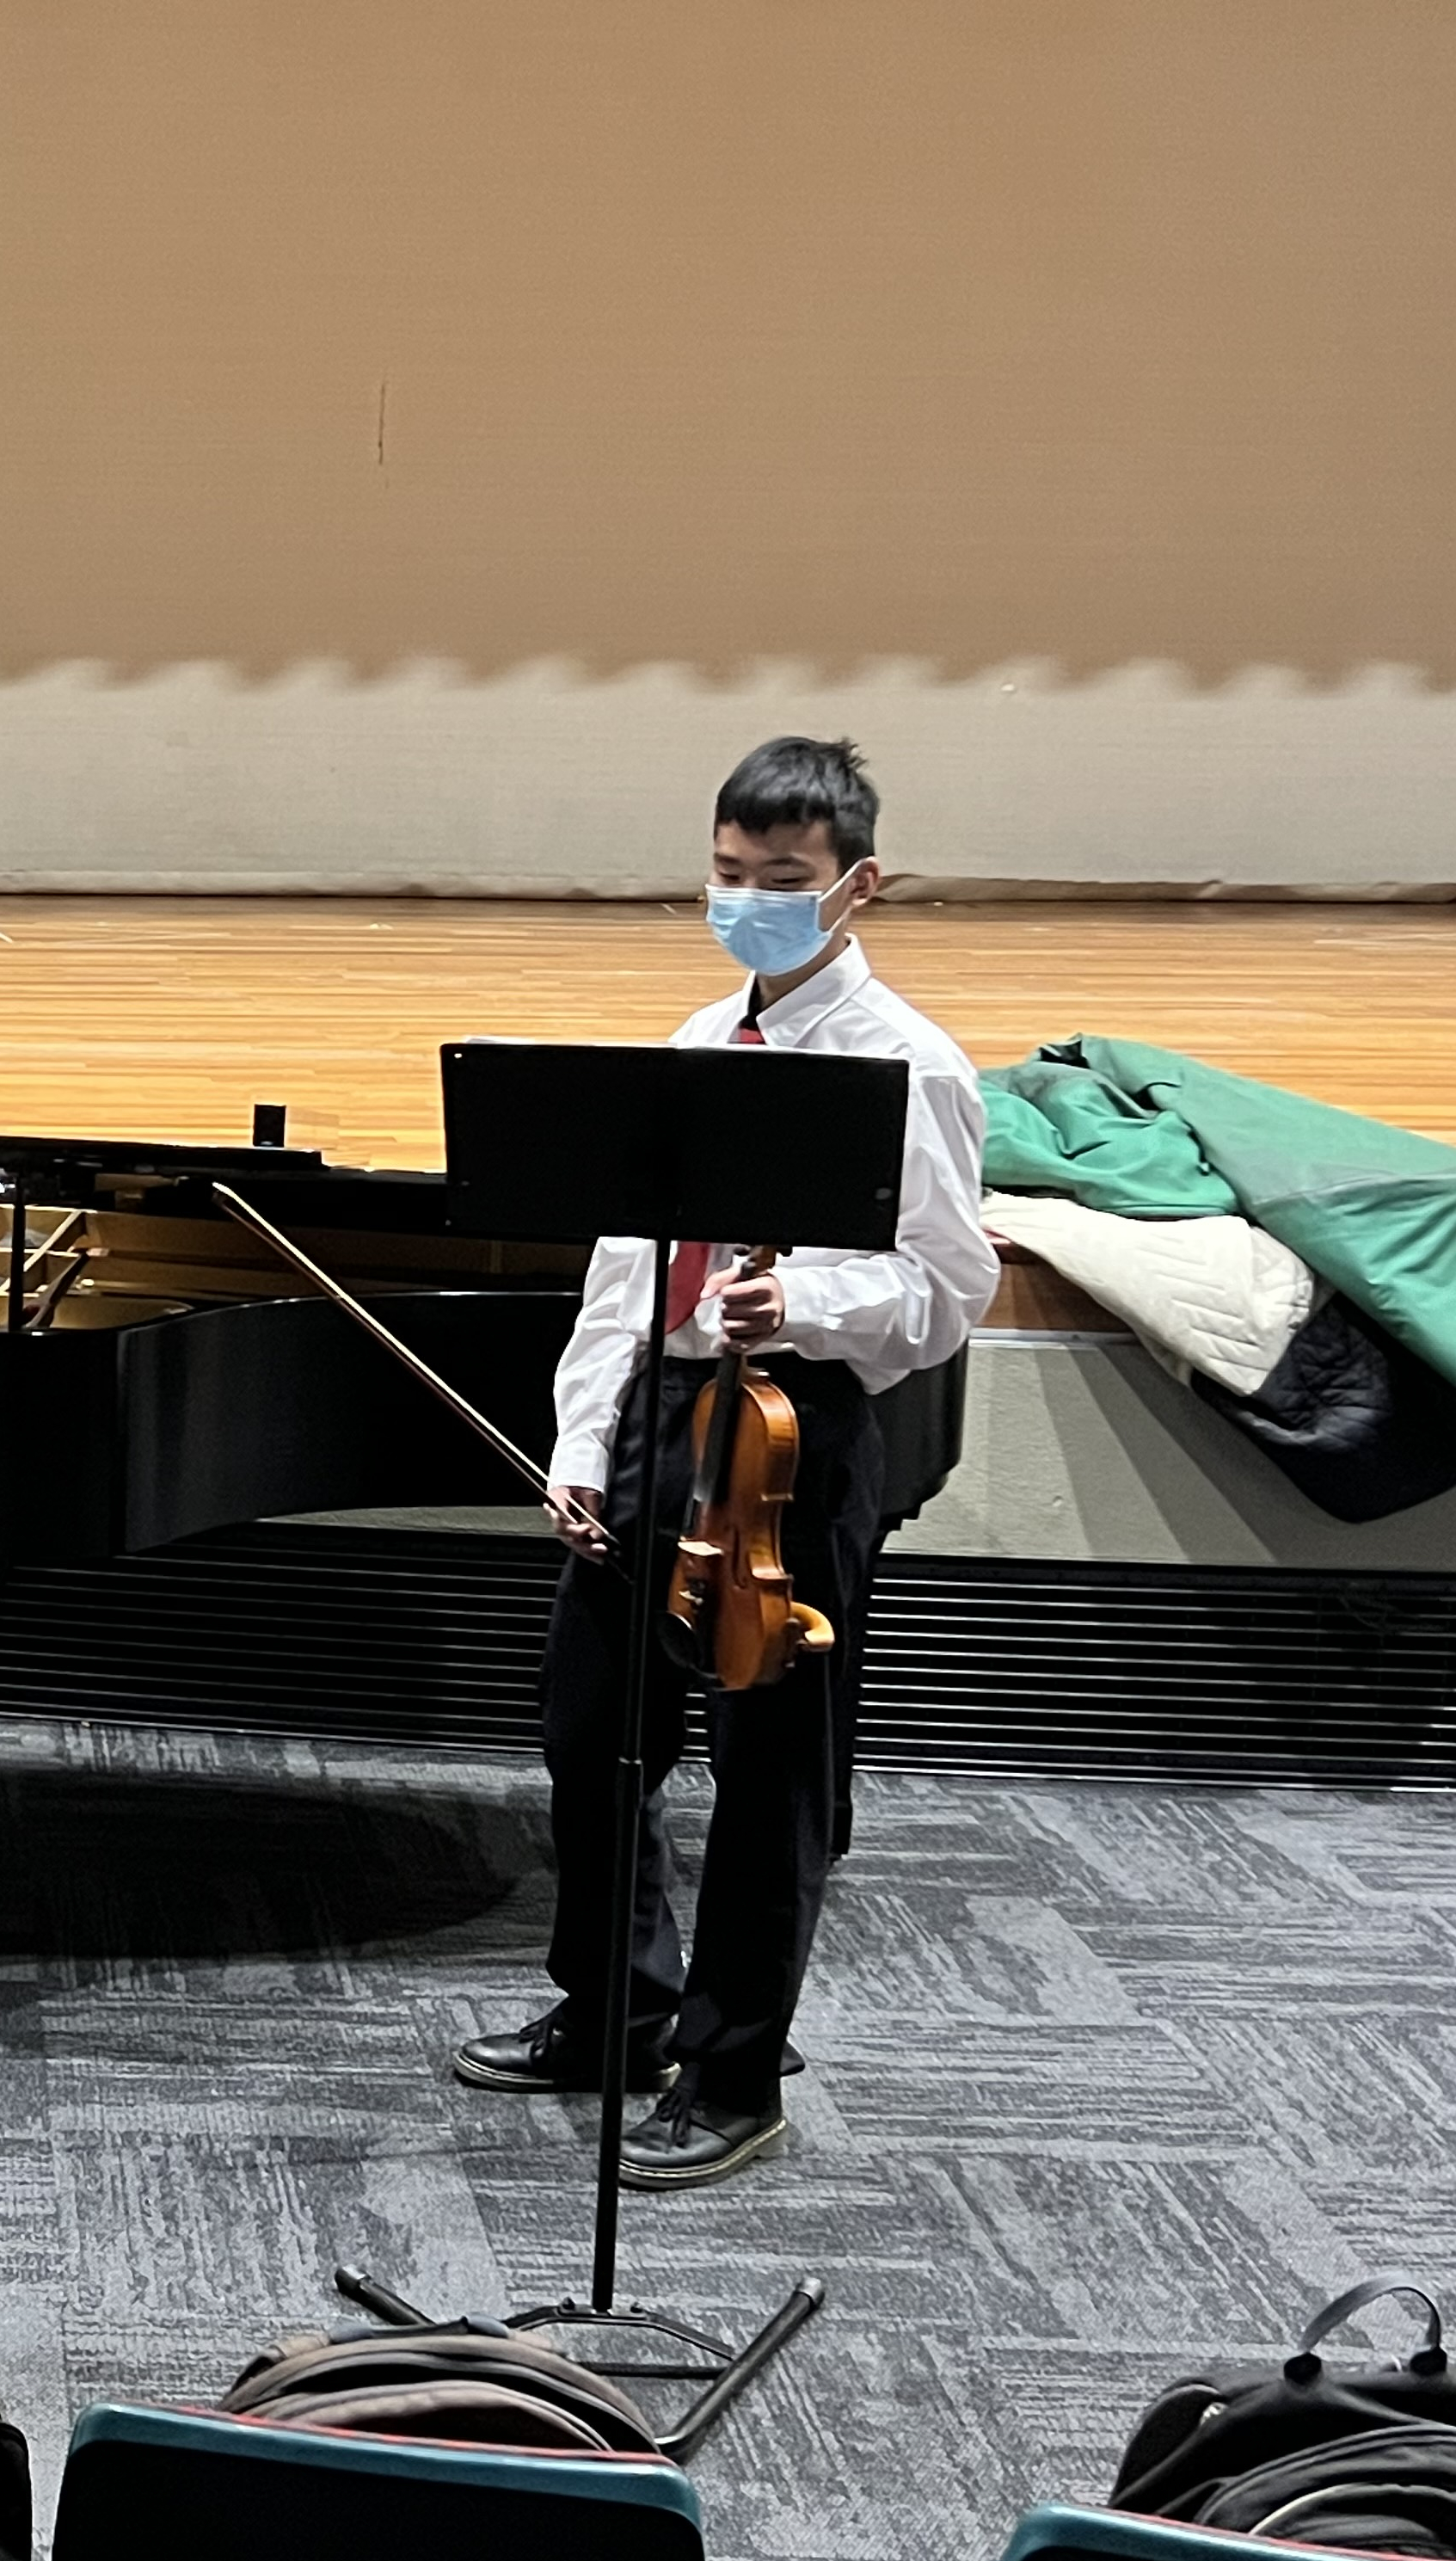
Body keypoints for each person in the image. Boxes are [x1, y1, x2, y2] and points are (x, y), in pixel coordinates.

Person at [450, 736, 998, 2189]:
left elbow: (949, 1289)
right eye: (727, 872)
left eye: (782, 877)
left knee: (770, 1772)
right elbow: (623, 1277)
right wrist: (582, 1440)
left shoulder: (908, 1066)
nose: (747, 899)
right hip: (658, 1417)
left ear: (857, 884)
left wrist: (803, 1302)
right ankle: (613, 2011)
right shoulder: (698, 1042)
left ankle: (734, 2068)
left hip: (790, 1432)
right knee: (593, 1729)